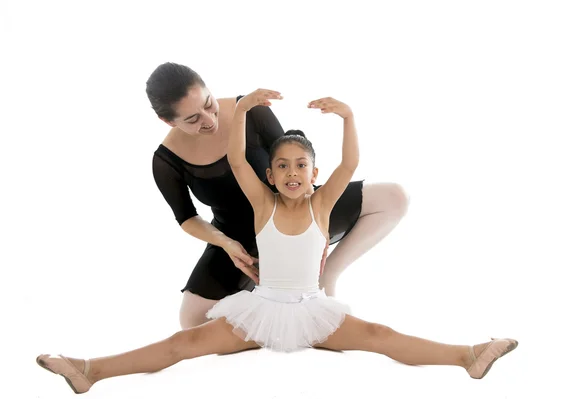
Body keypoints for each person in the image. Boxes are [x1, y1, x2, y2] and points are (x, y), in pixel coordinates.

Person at [36, 90, 518, 394]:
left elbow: (350, 165)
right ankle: (89, 369)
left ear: (315, 175)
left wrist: (348, 116)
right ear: (269, 175)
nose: (291, 173)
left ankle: (468, 355)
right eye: (282, 166)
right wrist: (242, 109)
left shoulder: (323, 205)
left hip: (312, 310)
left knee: (380, 337)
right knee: (183, 343)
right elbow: (238, 162)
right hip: (261, 310)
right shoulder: (262, 204)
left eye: (300, 167)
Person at [147, 62, 410, 328]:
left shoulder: (251, 109)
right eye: (192, 119)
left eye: (208, 103)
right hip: (235, 234)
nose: (209, 119)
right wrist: (226, 244)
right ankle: (267, 299)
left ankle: (324, 276)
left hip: (293, 209)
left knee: (392, 198)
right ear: (168, 121)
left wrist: (318, 223)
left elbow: (293, 158)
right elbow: (187, 217)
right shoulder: (165, 161)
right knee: (191, 321)